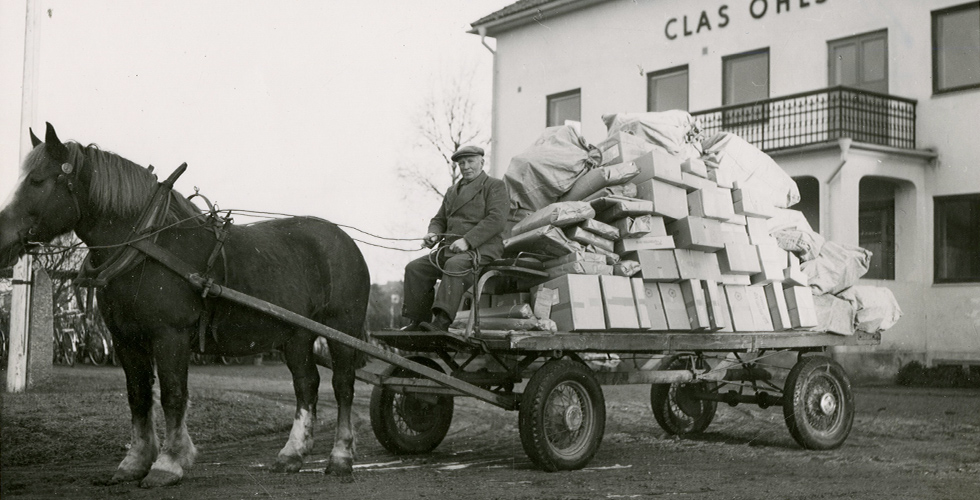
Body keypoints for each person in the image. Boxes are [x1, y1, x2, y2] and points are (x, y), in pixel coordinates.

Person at [401, 145, 509, 331]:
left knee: (454, 265)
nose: (466, 167)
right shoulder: (452, 191)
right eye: (461, 163)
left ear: (482, 162)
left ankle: (441, 322)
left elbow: (496, 220)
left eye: (470, 161)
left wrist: (468, 241)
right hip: (450, 248)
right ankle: (417, 320)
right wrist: (433, 233)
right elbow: (439, 219)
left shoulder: (494, 186)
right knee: (415, 268)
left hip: (482, 249)